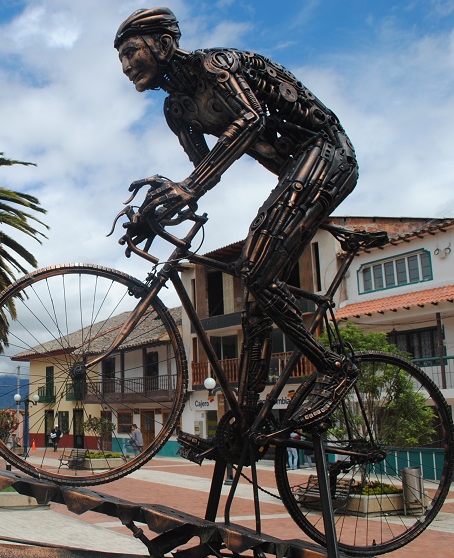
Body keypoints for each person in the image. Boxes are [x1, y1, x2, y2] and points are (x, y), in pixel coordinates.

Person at [115, 8, 359, 429]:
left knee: (257, 269)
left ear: (164, 44)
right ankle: (246, 419)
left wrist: (188, 187)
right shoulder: (177, 109)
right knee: (256, 299)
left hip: (326, 153)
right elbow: (202, 174)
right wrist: (154, 211)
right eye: (120, 58)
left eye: (131, 52)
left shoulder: (215, 66)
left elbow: (251, 118)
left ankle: (334, 368)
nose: (125, 66)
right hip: (294, 171)